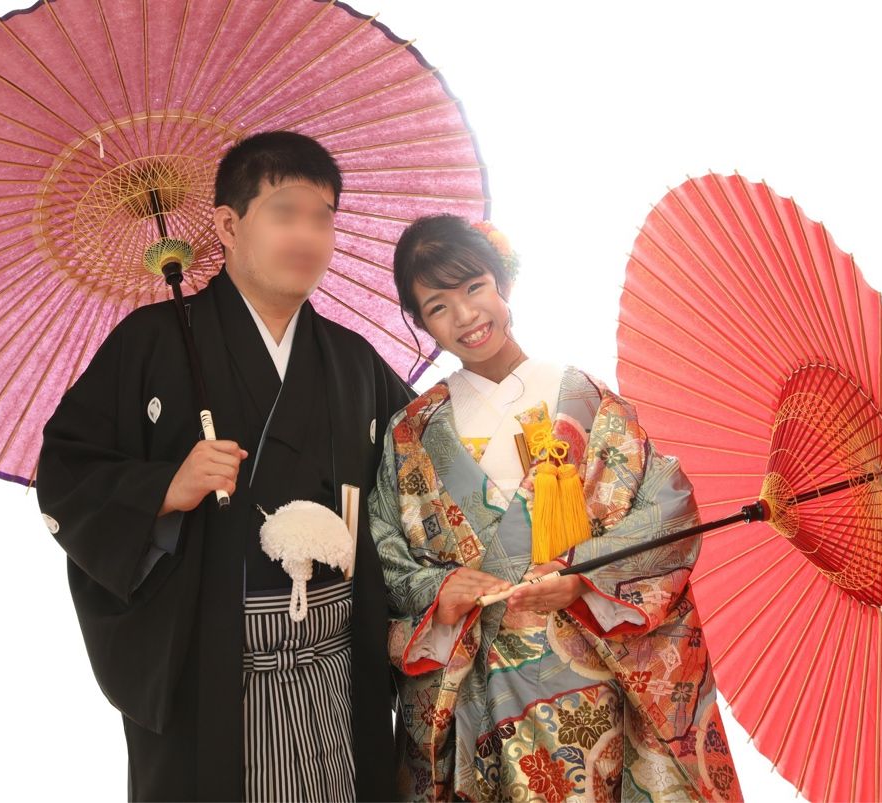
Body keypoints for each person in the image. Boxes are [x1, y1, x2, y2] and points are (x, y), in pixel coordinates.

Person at [37, 131, 414, 801]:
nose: (308, 235)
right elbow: (67, 472)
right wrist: (163, 488)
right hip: (211, 666)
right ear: (228, 225)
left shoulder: (352, 359)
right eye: (285, 212)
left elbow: (421, 468)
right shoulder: (150, 343)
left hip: (338, 666)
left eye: (323, 217)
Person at [369, 215, 742, 801]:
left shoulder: (583, 398)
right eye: (438, 306)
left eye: (474, 287)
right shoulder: (411, 431)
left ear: (502, 282)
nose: (465, 315)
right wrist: (439, 590)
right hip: (474, 688)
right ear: (419, 322)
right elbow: (384, 548)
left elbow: (667, 508)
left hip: (584, 682)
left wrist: (582, 575)